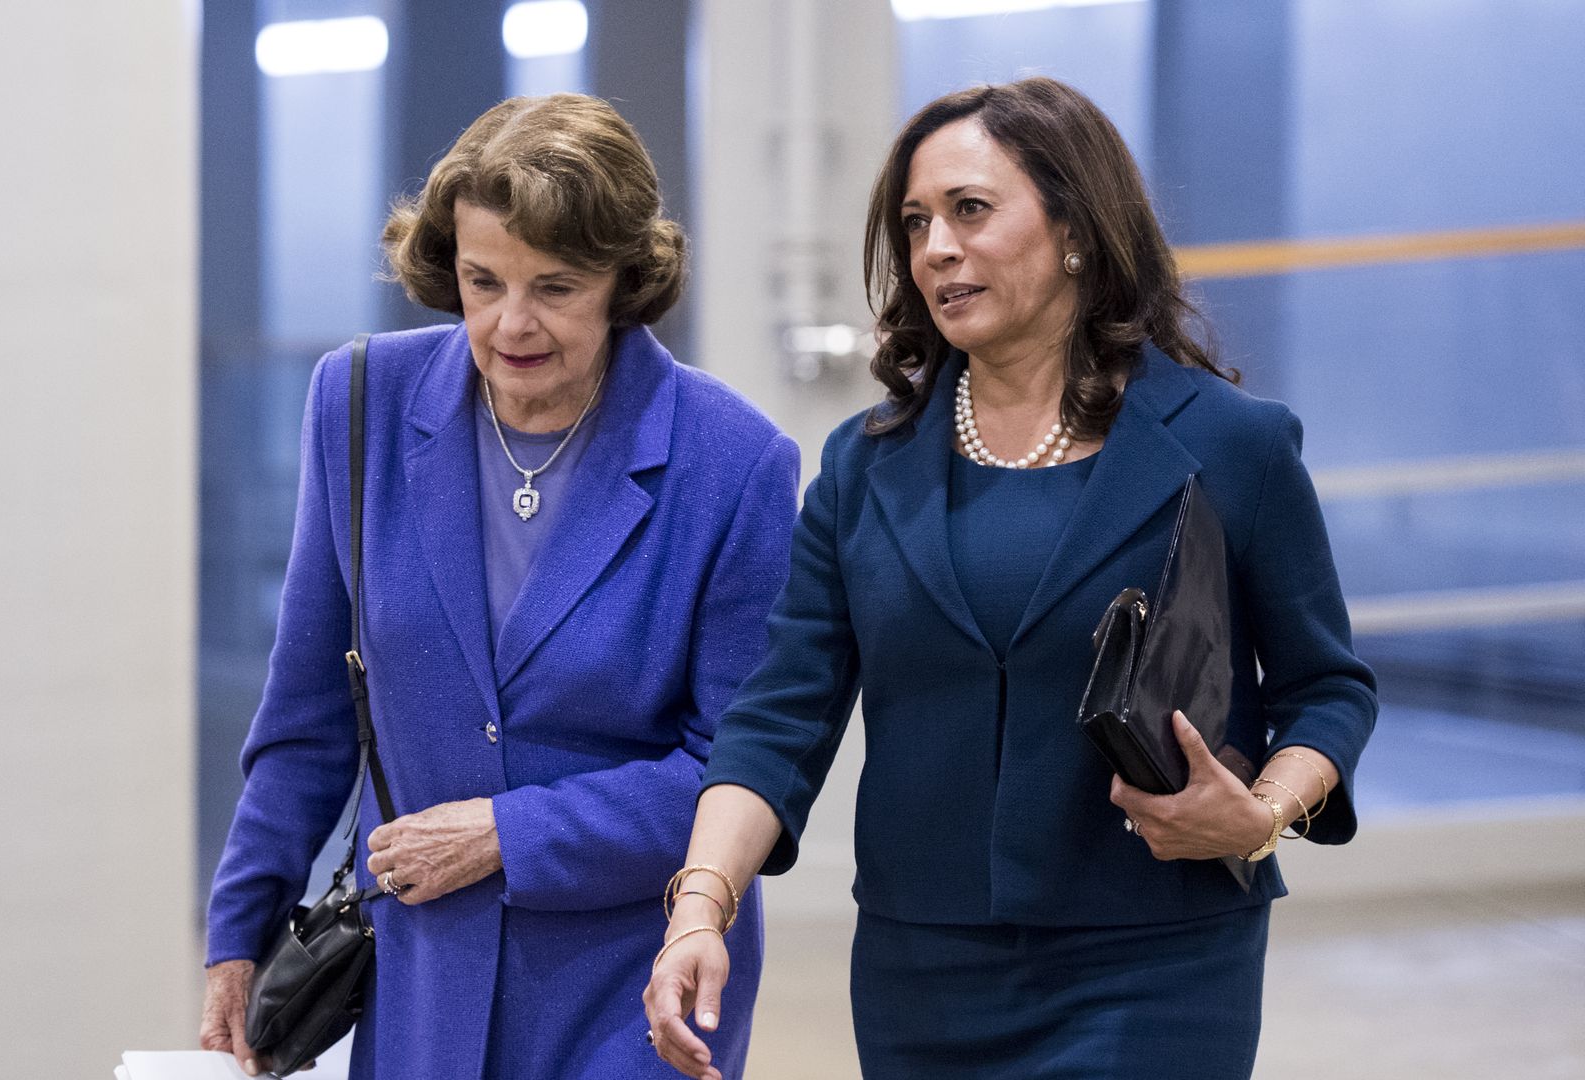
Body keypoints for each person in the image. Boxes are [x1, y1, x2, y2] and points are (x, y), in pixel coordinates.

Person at [644, 77, 1377, 1080]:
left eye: (970, 210)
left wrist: (1260, 813)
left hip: (1155, 961)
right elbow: (779, 713)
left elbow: (1326, 688)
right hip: (920, 968)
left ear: (1074, 226)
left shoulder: (1229, 445)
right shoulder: (865, 466)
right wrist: (700, 906)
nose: (937, 247)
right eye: (915, 224)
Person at [200, 94, 798, 1080]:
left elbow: (741, 769)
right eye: (484, 281)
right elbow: (308, 716)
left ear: (623, 282)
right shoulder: (359, 408)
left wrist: (506, 833)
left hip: (632, 984)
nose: (511, 323)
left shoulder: (734, 463)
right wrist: (237, 933)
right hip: (422, 974)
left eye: (555, 287)